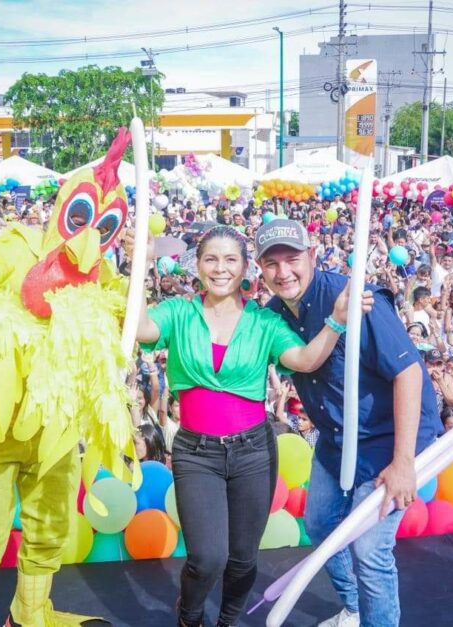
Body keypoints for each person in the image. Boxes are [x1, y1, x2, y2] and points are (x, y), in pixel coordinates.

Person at [130, 224, 373, 627]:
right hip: (196, 452)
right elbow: (141, 331)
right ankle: (189, 618)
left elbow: (304, 359)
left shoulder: (263, 322)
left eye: (230, 260)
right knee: (207, 558)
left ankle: (227, 621)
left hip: (253, 452)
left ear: (246, 268)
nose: (220, 268)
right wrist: (143, 264)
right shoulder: (177, 311)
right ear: (198, 265)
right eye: (211, 259)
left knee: (242, 560)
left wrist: (336, 321)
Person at [255, 218, 442, 627]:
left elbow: (408, 374)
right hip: (337, 437)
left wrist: (404, 462)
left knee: (370, 550)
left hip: (390, 435)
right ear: (260, 268)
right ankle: (355, 608)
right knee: (321, 525)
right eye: (271, 264)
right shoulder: (271, 316)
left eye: (292, 259)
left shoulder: (358, 298)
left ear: (313, 256)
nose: (283, 272)